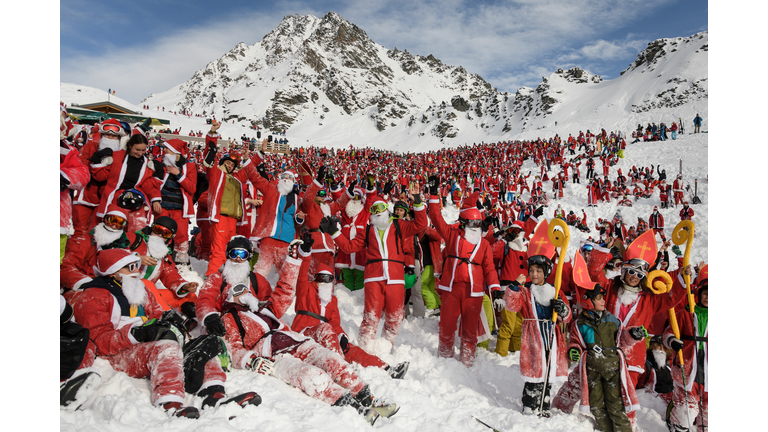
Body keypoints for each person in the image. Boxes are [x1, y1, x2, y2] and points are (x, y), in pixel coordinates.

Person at [199, 236, 397, 425]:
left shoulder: (262, 305)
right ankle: (355, 409)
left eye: (243, 255)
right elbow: (227, 338)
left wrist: (293, 260)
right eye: (234, 254)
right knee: (312, 376)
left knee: (332, 360)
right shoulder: (227, 310)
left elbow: (284, 292)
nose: (238, 259)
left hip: (293, 340)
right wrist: (212, 318)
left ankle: (367, 397)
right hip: (273, 353)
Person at [65, 249, 203, 418]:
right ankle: (170, 401)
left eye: (137, 266)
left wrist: (169, 325)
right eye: (130, 267)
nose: (136, 272)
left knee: (200, 347)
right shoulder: (95, 295)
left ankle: (213, 391)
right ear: (113, 272)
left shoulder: (140, 289)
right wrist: (136, 334)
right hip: (118, 353)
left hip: (144, 343)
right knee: (167, 348)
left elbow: (157, 314)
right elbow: (98, 340)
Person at [290, 235, 410, 379]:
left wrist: (342, 336)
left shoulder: (332, 300)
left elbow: (335, 323)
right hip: (306, 334)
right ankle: (341, 367)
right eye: (321, 279)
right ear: (315, 280)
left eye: (328, 279)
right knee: (326, 329)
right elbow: (301, 275)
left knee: (352, 349)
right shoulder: (306, 290)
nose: (324, 283)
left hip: (328, 339)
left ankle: (387, 369)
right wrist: (305, 253)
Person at [329, 183, 427, 354]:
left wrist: (417, 201)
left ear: (387, 209)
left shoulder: (399, 226)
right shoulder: (368, 231)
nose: (377, 212)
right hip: (373, 277)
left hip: (395, 277)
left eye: (381, 207)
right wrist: (335, 233)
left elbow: (420, 223)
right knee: (371, 315)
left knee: (395, 316)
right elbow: (349, 247)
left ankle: (386, 346)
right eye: (374, 210)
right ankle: (365, 348)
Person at [426, 181, 502, 367]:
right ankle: (444, 358)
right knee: (447, 326)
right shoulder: (452, 235)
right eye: (472, 223)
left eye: (478, 223)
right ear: (463, 223)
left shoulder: (484, 245)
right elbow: (436, 218)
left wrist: (496, 289)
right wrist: (434, 195)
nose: (476, 227)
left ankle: (467, 362)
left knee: (470, 329)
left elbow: (490, 268)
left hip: (473, 291)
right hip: (451, 288)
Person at [502, 219, 571, 416]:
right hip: (533, 336)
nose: (534, 274)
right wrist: (514, 287)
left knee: (547, 373)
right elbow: (512, 305)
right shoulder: (525, 291)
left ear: (546, 272)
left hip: (551, 336)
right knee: (534, 374)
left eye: (538, 271)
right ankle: (529, 405)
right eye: (531, 270)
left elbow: (567, 316)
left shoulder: (555, 291)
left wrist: (563, 310)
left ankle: (544, 404)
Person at [565, 282, 646, 432]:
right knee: (596, 406)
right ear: (587, 300)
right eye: (599, 298)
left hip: (612, 370)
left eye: (603, 298)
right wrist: (573, 351)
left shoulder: (613, 321)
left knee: (616, 406)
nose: (603, 301)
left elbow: (622, 339)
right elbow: (575, 342)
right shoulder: (579, 324)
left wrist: (632, 334)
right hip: (592, 370)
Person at [664, 265, 708, 432]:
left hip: (709, 371)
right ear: (699, 294)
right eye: (705, 293)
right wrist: (672, 340)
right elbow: (668, 333)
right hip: (687, 368)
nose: (708, 297)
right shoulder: (686, 313)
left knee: (710, 416)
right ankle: (677, 423)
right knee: (686, 414)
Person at [153, 138, 197, 267]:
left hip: (180, 208)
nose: (164, 150)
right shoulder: (158, 163)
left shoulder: (189, 166)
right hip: (162, 206)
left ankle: (181, 264)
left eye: (167, 149)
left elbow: (192, 188)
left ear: (175, 151)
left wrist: (179, 175)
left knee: (181, 236)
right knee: (159, 233)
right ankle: (156, 261)